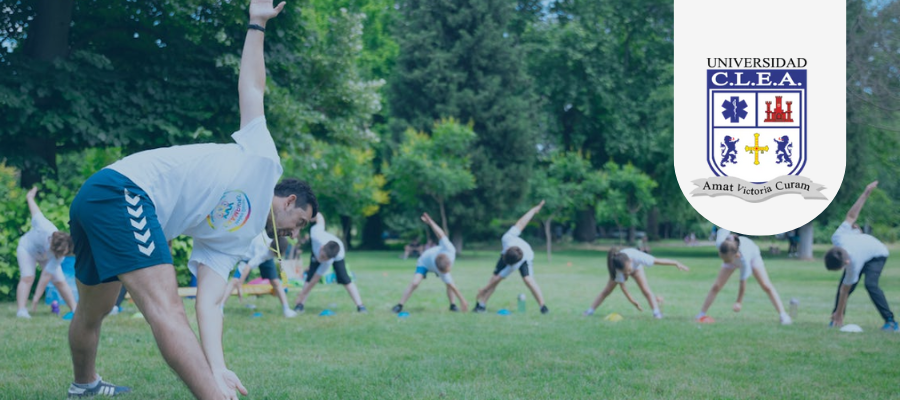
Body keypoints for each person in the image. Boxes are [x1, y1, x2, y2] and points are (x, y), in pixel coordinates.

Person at [65, 2, 317, 398]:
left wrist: (218, 367)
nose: (295, 232)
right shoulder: (264, 161)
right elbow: (252, 88)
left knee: (93, 310)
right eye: (300, 221)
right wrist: (257, 23)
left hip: (101, 197)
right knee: (166, 309)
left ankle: (84, 385)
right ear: (287, 201)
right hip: (124, 191)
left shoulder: (236, 239)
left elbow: (212, 303)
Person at [825, 181, 896, 331]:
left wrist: (866, 194)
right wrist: (865, 194)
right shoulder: (837, 237)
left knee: (870, 284)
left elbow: (845, 289)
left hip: (877, 253)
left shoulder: (853, 263)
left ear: (846, 262)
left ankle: (891, 322)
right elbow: (851, 216)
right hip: (863, 248)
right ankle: (836, 319)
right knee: (843, 286)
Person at [695, 228, 792, 325]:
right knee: (716, 286)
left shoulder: (745, 259)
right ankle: (701, 314)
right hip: (732, 254)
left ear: (736, 256)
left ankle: (783, 315)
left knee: (765, 285)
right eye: (722, 259)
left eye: (726, 260)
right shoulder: (721, 244)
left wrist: (739, 302)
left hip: (753, 256)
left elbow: (742, 282)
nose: (724, 262)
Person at [473, 201, 548, 314]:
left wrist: (484, 289)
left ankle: (543, 307)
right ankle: (481, 305)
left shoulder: (515, 265)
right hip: (512, 255)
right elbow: (521, 223)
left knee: (528, 280)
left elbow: (499, 278)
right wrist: (533, 210)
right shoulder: (507, 238)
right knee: (493, 278)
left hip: (526, 257)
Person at [16, 187, 78, 318]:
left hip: (44, 256)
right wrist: (29, 197)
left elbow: (46, 276)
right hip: (27, 249)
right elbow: (35, 212)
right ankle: (21, 310)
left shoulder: (59, 255)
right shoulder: (44, 226)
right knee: (27, 277)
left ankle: (75, 309)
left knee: (60, 280)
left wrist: (36, 298)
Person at [392, 213, 468, 313]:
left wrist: (431, 222)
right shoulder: (435, 264)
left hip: (436, 262)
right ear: (438, 269)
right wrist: (463, 300)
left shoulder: (449, 249)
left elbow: (440, 234)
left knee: (449, 284)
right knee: (415, 283)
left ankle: (452, 305)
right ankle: (399, 305)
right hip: (424, 262)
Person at [583, 247, 689, 319]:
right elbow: (623, 287)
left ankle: (656, 313)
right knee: (607, 291)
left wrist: (675, 263)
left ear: (630, 260)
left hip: (637, 269)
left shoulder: (638, 256)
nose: (628, 273)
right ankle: (590, 310)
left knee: (646, 291)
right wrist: (633, 301)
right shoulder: (618, 267)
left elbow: (658, 261)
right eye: (626, 272)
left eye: (629, 270)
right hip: (622, 268)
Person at [293, 213, 366, 313]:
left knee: (344, 278)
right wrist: (312, 214)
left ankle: (360, 306)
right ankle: (300, 304)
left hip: (338, 253)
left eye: (325, 259)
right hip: (316, 252)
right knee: (309, 276)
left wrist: (301, 294)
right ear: (322, 248)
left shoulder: (331, 259)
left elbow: (315, 279)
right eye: (322, 256)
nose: (322, 259)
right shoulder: (316, 235)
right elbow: (320, 218)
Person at [220, 233, 297, 318]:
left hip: (267, 257)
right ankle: (220, 307)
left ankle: (286, 309)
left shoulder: (277, 241)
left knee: (276, 282)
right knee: (235, 281)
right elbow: (248, 267)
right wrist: (240, 285)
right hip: (248, 256)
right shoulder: (262, 253)